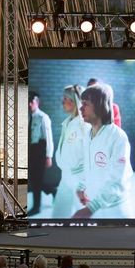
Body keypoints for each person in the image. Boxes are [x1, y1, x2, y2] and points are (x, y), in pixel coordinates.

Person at [74, 83, 132, 218]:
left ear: (99, 106)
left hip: (114, 209)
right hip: (94, 205)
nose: (80, 108)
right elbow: (88, 166)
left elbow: (117, 180)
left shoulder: (118, 137)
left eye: (85, 104)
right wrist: (81, 186)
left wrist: (90, 208)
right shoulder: (88, 134)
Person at [54, 85, 90, 218]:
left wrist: (83, 185)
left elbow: (89, 157)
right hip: (65, 177)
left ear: (74, 101)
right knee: (58, 214)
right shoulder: (67, 123)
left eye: (65, 98)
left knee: (83, 218)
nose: (62, 101)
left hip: (79, 179)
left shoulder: (85, 126)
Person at [27, 92, 55, 216]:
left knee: (36, 179)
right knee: (34, 179)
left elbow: (48, 138)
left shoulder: (43, 117)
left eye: (31, 102)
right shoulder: (28, 116)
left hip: (40, 151)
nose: (29, 105)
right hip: (30, 150)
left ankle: (37, 207)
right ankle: (52, 191)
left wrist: (48, 156)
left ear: (37, 103)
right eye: (28, 102)